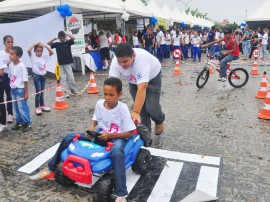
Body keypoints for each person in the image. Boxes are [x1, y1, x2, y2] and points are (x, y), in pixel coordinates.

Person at [30, 77, 135, 202]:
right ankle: (50, 169)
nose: (107, 97)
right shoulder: (100, 104)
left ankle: (121, 194)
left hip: (117, 137)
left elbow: (130, 132)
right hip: (101, 135)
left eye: (111, 95)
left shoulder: (122, 108)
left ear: (120, 94)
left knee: (117, 153)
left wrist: (111, 136)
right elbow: (95, 119)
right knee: (69, 137)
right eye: (105, 94)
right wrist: (91, 128)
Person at [109, 43, 165, 135]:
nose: (122, 64)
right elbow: (111, 84)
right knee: (141, 111)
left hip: (152, 78)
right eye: (120, 61)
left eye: (125, 61)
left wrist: (135, 111)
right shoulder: (115, 62)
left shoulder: (142, 60)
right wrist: (109, 105)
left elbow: (142, 87)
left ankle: (159, 120)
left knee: (151, 108)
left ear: (133, 56)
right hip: (133, 81)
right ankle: (146, 135)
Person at [47, 31, 78, 98]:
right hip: (60, 64)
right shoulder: (57, 44)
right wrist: (55, 38)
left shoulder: (68, 42)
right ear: (59, 38)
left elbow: (73, 38)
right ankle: (66, 92)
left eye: (63, 38)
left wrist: (67, 34)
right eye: (60, 38)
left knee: (71, 77)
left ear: (65, 37)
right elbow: (48, 43)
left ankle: (74, 90)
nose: (62, 39)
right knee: (63, 79)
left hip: (68, 63)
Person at [9, 46, 31, 132]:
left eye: (12, 54)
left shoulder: (22, 66)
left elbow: (25, 80)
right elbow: (11, 76)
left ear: (18, 56)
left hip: (20, 90)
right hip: (13, 89)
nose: (10, 56)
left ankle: (27, 123)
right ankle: (19, 122)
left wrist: (26, 93)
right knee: (16, 107)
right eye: (10, 54)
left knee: (22, 107)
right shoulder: (10, 65)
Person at [28, 42, 53, 115]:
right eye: (38, 51)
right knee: (38, 92)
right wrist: (35, 44)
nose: (39, 53)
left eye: (41, 51)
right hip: (36, 76)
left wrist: (45, 46)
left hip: (43, 77)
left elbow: (51, 52)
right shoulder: (33, 57)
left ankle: (42, 105)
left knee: (42, 92)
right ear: (35, 51)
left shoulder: (44, 57)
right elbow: (28, 50)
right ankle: (37, 107)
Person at [0, 35, 14, 124]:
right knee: (1, 96)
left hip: (11, 76)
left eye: (11, 42)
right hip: (3, 76)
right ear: (4, 43)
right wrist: (7, 64)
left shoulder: (14, 52)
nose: (10, 44)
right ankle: (2, 114)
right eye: (8, 42)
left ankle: (10, 113)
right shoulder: (1, 53)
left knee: (9, 95)